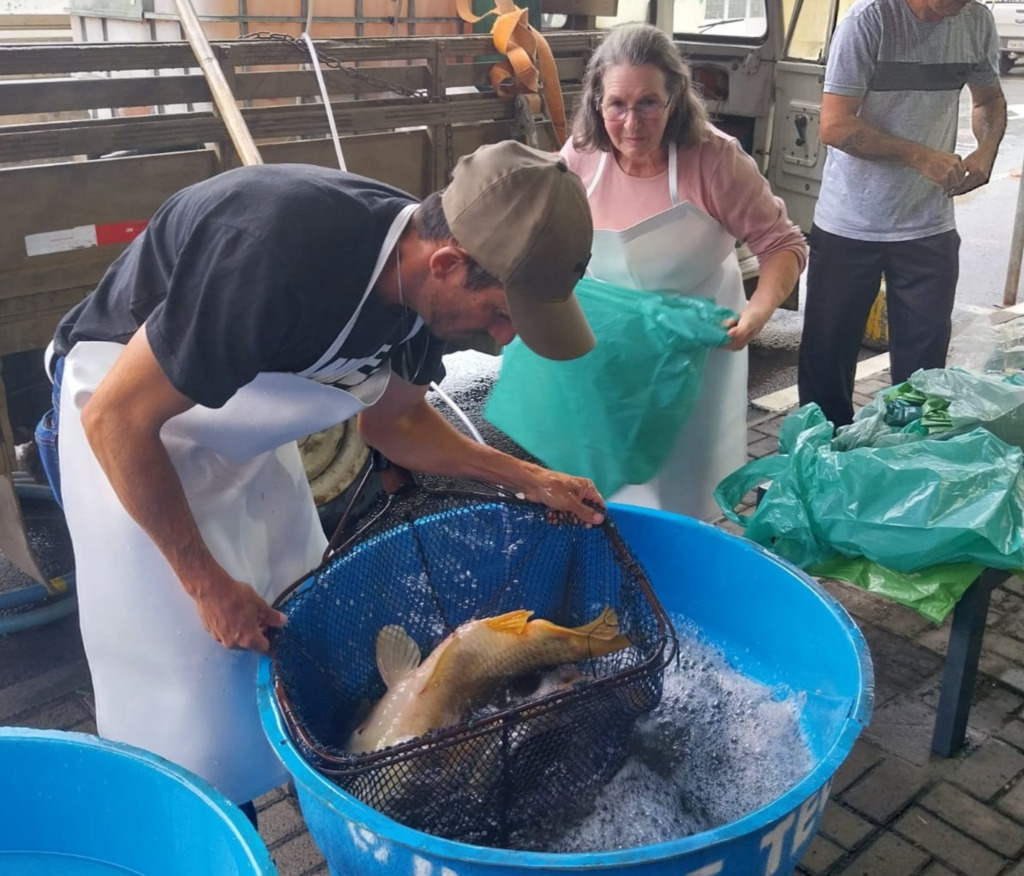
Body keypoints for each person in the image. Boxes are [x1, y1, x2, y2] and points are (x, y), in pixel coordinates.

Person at [32, 140, 604, 823]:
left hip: (235, 442)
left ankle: (303, 793)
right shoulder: (273, 255)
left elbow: (396, 424)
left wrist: (530, 479)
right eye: (499, 314)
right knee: (192, 695)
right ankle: (221, 838)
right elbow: (117, 420)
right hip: (122, 434)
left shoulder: (426, 296)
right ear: (447, 263)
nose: (502, 338)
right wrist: (206, 584)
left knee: (289, 624)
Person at [552, 23, 806, 521]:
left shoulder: (715, 159)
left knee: (685, 482)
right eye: (616, 105)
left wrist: (755, 316)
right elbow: (552, 240)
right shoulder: (580, 156)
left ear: (675, 99)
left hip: (698, 352)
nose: (631, 123)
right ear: (596, 103)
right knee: (609, 484)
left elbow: (783, 245)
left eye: (649, 103)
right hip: (613, 348)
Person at [797, 0, 1007, 429]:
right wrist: (919, 156)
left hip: (929, 225)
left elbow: (989, 100)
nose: (955, 9)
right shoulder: (867, 21)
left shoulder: (976, 20)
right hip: (849, 223)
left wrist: (986, 151)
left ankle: (908, 453)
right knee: (827, 357)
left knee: (923, 373)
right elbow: (834, 125)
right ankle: (821, 452)